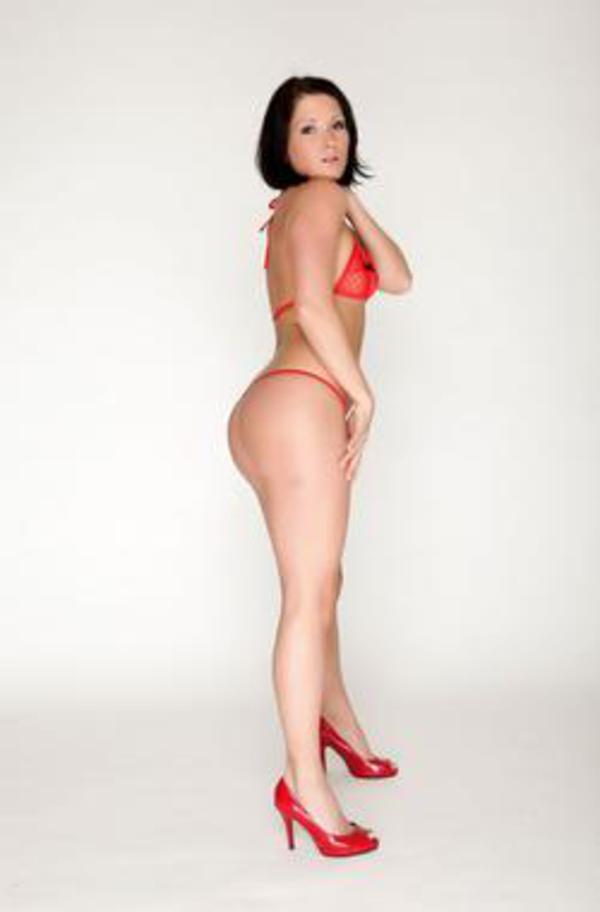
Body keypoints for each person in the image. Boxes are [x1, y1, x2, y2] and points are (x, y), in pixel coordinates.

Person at [226, 75, 413, 858]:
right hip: (304, 402)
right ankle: (304, 787)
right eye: (308, 129)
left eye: (338, 125)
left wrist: (352, 201)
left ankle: (338, 726)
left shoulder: (308, 206)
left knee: (323, 584)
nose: (329, 139)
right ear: (282, 142)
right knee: (308, 597)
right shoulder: (313, 201)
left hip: (274, 406)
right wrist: (361, 392)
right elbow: (309, 305)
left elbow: (397, 276)